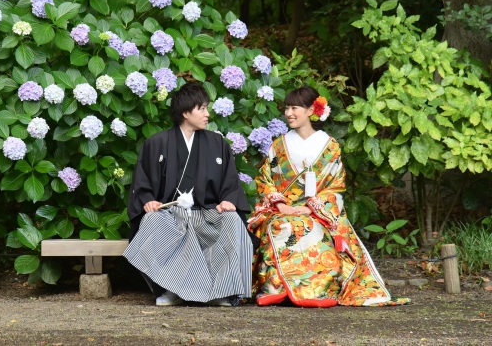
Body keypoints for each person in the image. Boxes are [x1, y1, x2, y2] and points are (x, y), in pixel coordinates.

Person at [249, 86, 410, 307]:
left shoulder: (329, 146)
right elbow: (265, 179)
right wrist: (281, 205)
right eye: (286, 108)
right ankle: (275, 287)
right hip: (283, 208)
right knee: (281, 226)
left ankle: (318, 289)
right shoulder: (279, 145)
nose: (289, 113)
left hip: (319, 210)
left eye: (295, 108)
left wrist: (310, 208)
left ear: (310, 111)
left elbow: (335, 186)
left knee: (312, 227)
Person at [124, 81, 254, 307]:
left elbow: (230, 183)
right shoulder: (157, 143)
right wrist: (148, 201)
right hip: (171, 214)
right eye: (202, 109)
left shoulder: (217, 143)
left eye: (206, 108)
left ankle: (220, 291)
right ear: (186, 112)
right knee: (152, 220)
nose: (207, 114)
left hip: (208, 213)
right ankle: (171, 288)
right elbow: (142, 184)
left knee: (233, 220)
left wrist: (227, 201)